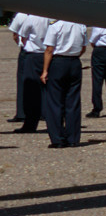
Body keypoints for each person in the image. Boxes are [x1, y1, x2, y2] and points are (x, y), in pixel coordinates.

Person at [39, 19, 87, 148]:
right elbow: (83, 48)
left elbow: (49, 49)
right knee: (73, 101)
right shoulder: (80, 26)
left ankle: (58, 138)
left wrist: (45, 70)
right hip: (74, 61)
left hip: (59, 61)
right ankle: (73, 138)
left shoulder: (56, 26)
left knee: (55, 102)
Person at [10, 11, 48, 134]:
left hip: (33, 54)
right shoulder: (50, 17)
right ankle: (52, 121)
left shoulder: (30, 18)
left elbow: (22, 36)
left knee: (30, 91)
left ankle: (30, 124)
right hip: (47, 54)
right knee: (48, 90)